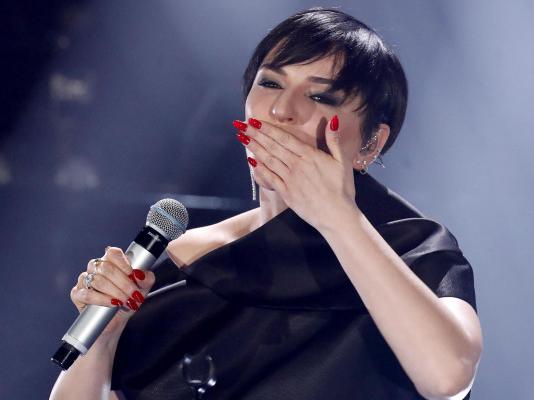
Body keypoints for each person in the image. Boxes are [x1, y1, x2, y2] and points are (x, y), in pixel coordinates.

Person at [50, 7, 482, 400]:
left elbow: (448, 377)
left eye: (320, 96)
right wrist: (104, 338)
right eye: (270, 83)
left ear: (370, 143)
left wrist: (338, 218)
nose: (281, 110)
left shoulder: (411, 245)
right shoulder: (187, 259)